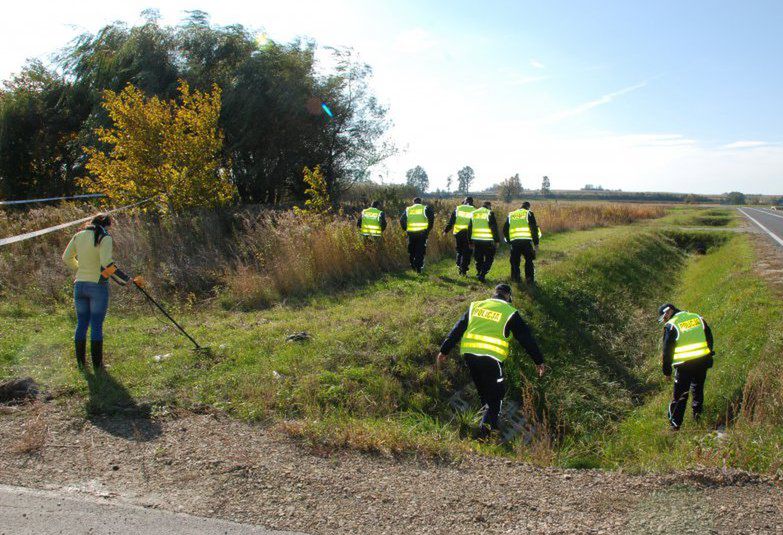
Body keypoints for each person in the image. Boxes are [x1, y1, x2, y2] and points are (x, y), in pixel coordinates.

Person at [437, 284, 545, 438]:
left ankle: (487, 425)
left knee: (484, 392)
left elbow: (458, 328)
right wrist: (538, 361)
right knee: (497, 395)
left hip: (470, 356)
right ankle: (485, 433)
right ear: (508, 296)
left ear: (494, 294)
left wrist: (444, 350)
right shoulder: (509, 312)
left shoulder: (476, 306)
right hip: (491, 359)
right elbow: (526, 338)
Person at [62, 214, 140, 370]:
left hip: (80, 285)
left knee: (82, 323)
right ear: (107, 225)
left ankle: (81, 364)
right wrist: (125, 279)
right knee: (96, 324)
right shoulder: (104, 237)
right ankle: (98, 365)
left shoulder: (78, 235)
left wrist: (80, 269)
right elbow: (106, 263)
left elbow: (66, 258)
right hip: (97, 286)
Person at [658, 303, 715, 430]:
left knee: (680, 396)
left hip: (685, 366)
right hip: (702, 361)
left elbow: (667, 352)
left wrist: (667, 372)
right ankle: (698, 416)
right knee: (698, 389)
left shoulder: (672, 325)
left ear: (668, 311)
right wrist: (708, 353)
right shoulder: (697, 317)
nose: (665, 320)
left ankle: (675, 425)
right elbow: (709, 337)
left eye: (664, 317)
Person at [503, 201, 540, 285]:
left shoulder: (511, 214)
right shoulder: (529, 213)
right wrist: (536, 243)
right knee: (529, 260)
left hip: (515, 242)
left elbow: (505, 229)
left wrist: (509, 241)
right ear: (528, 207)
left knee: (514, 261)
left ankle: (516, 279)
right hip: (526, 242)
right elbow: (533, 229)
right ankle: (529, 279)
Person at [399, 197, 434, 273]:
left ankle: (413, 265)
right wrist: (428, 230)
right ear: (420, 202)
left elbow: (401, 220)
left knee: (412, 250)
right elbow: (431, 219)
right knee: (420, 250)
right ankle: (418, 267)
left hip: (411, 233)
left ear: (413, 202)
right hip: (422, 233)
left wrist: (405, 229)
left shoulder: (408, 209)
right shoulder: (424, 208)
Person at [467, 201, 499, 282]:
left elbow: (469, 229)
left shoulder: (474, 213)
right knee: (489, 258)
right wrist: (497, 240)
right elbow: (494, 228)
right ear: (488, 206)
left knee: (478, 258)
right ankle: (482, 274)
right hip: (487, 241)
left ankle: (479, 273)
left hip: (476, 240)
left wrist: (470, 242)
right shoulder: (489, 213)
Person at [443, 197, 476, 276]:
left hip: (458, 233)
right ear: (472, 202)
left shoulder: (457, 209)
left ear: (464, 202)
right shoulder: (475, 210)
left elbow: (451, 222)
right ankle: (463, 270)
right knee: (467, 252)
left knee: (459, 250)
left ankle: (459, 264)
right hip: (469, 234)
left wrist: (445, 231)